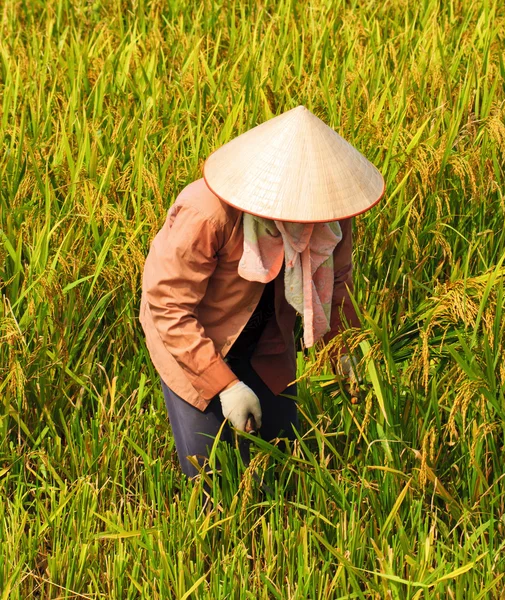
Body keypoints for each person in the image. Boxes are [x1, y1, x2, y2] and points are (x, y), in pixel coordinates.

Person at [139, 105, 385, 478]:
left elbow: (338, 284)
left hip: (268, 337)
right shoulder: (206, 214)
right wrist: (226, 386)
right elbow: (168, 306)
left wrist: (344, 350)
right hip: (195, 338)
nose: (308, 221)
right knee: (210, 474)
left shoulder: (332, 217)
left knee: (285, 462)